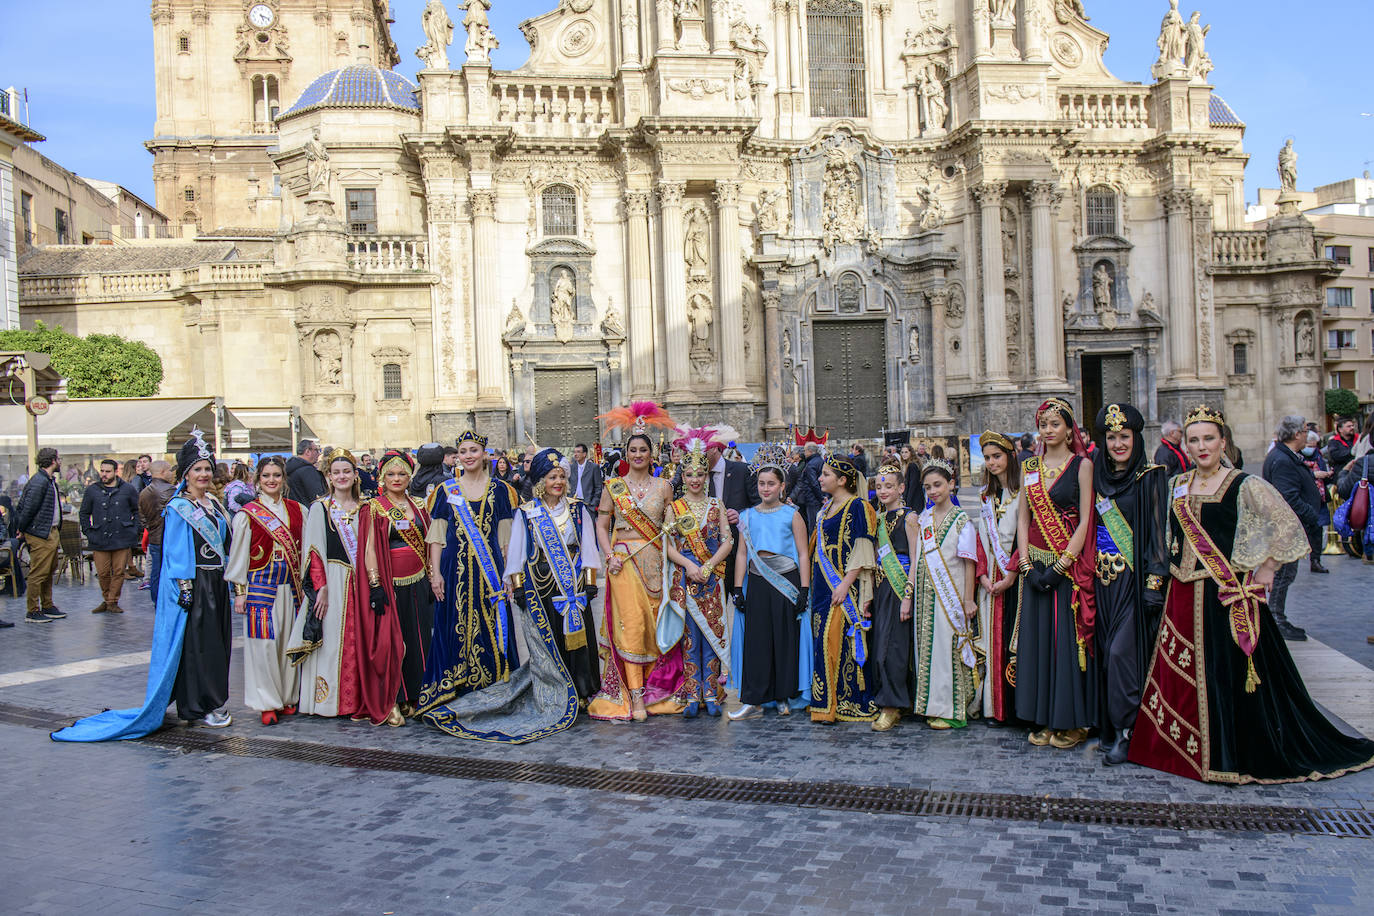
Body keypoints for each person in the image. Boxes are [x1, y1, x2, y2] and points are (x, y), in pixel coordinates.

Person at [1130, 406, 1374, 783]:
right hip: (1182, 595)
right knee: (1182, 672)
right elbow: (1168, 536)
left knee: (1228, 674)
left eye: (1209, 438)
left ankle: (1227, 753)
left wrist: (1267, 567)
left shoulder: (1244, 484)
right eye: (1194, 441)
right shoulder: (1178, 485)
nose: (1201, 446)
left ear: (1223, 441)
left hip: (1226, 596)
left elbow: (1285, 525)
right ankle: (1179, 750)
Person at [53, 431, 234, 740]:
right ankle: (197, 706)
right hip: (194, 583)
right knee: (197, 647)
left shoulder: (214, 504)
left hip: (216, 581)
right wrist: (185, 588)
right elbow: (176, 552)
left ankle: (214, 700)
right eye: (198, 469)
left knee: (218, 644)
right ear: (186, 473)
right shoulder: (179, 507)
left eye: (207, 468)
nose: (203, 474)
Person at [588, 402, 684, 722]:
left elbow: (672, 528)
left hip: (655, 564)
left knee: (654, 630)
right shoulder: (614, 488)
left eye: (643, 449)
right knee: (631, 628)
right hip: (624, 564)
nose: (638, 455)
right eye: (633, 450)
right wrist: (609, 555)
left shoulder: (665, 487)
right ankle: (636, 696)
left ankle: (657, 688)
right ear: (626, 454)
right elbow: (602, 525)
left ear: (651, 453)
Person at [420, 431, 519, 730]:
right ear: (457, 457)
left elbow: (506, 538)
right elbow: (437, 535)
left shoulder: (501, 490)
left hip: (490, 569)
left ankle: (494, 690)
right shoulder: (446, 490)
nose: (468, 456)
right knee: (453, 623)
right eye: (462, 451)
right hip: (453, 569)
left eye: (473, 450)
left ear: (485, 454)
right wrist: (435, 573)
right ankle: (455, 687)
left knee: (493, 624)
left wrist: (509, 574)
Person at [1016, 398, 1098, 750]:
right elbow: (1023, 517)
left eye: (1055, 424)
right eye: (1044, 424)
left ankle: (1070, 719)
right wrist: (1025, 564)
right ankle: (1045, 715)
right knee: (1038, 642)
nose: (1048, 430)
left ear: (1068, 429)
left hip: (1066, 566)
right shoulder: (1029, 467)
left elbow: (1085, 518)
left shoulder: (1081, 465)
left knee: (1065, 642)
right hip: (1034, 563)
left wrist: (1063, 563)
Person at [1090, 403, 1168, 766]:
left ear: (1136, 438)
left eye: (1124, 437)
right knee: (1106, 656)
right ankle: (1110, 729)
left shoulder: (1151, 476)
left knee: (1123, 655)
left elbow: (1157, 536)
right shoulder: (1097, 478)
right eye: (1111, 437)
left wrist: (1155, 582)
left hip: (1134, 583)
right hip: (1101, 581)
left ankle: (1128, 731)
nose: (1118, 444)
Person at [505, 448, 601, 703]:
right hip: (543, 585)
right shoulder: (526, 512)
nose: (558, 482)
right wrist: (517, 587)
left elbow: (588, 545)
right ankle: (555, 688)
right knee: (551, 638)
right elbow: (517, 551)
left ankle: (582, 689)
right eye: (551, 477)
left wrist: (591, 581)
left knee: (578, 640)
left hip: (574, 584)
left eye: (561, 477)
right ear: (540, 482)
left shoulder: (578, 510)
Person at [346, 449, 431, 727]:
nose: (397, 478)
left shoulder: (419, 505)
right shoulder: (375, 507)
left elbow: (428, 542)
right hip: (389, 582)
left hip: (418, 579)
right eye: (391, 474)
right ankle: (391, 697)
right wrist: (375, 584)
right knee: (393, 643)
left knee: (417, 639)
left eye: (402, 474)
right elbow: (369, 548)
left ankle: (414, 696)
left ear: (410, 476)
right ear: (382, 477)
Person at [729, 444, 811, 721]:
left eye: (771, 484)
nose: (766, 489)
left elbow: (802, 553)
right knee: (757, 641)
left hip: (785, 581)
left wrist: (804, 588)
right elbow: (741, 553)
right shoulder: (746, 516)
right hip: (758, 581)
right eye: (762, 483)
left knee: (783, 640)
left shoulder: (792, 515)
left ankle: (782, 696)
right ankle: (754, 698)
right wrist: (738, 587)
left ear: (782, 486)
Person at [225, 457, 306, 726]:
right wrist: (239, 590)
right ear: (257, 479)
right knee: (263, 646)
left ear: (284, 479)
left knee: (288, 643)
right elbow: (238, 554)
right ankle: (266, 701)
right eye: (266, 476)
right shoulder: (247, 514)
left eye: (276, 475)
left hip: (292, 587)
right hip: (261, 587)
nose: (271, 480)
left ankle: (287, 696)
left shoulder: (298, 510)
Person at [286, 448, 361, 717]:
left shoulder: (365, 508)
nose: (341, 477)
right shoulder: (320, 508)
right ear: (328, 476)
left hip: (358, 582)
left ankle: (354, 700)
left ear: (355, 475)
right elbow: (313, 549)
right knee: (330, 642)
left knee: (356, 641)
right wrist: (322, 587)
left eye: (346, 472)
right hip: (333, 581)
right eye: (336, 472)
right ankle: (327, 701)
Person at [906, 458, 979, 730]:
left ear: (951, 484)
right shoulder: (923, 519)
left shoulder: (962, 520)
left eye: (937, 485)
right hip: (926, 595)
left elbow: (969, 561)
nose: (933, 491)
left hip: (952, 594)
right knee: (929, 649)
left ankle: (952, 708)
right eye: (927, 487)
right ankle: (931, 704)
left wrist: (968, 598)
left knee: (948, 649)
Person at [663, 440, 734, 717]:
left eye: (700, 474)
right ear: (683, 476)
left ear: (707, 476)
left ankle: (711, 693)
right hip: (686, 580)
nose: (695, 479)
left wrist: (709, 565)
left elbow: (727, 540)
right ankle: (693, 693)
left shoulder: (717, 504)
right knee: (690, 636)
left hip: (712, 580)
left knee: (712, 634)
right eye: (690, 474)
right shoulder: (676, 508)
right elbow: (668, 547)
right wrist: (689, 566)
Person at [809, 453, 879, 724]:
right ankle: (826, 701)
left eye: (825, 474)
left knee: (842, 639)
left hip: (843, 586)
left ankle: (849, 701)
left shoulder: (859, 507)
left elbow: (863, 549)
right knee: (822, 640)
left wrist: (846, 584)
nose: (820, 478)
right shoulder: (824, 509)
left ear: (842, 480)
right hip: (822, 586)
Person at [973, 431, 1022, 726]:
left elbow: (1024, 539)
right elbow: (980, 541)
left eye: (997, 457)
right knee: (991, 643)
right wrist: (981, 575)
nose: (992, 463)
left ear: (1010, 457)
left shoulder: (1025, 491)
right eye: (988, 458)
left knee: (1012, 642)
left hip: (1015, 578)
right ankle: (993, 707)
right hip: (989, 578)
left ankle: (1014, 708)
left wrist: (1011, 574)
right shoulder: (985, 495)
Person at [1261, 416, 1323, 640]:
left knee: (1286, 573)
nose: (1307, 435)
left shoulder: (1285, 456)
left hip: (1291, 526)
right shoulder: (1283, 460)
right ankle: (1276, 619)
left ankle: (1279, 617)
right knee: (1284, 573)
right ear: (1297, 434)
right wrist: (1310, 515)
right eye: (1305, 431)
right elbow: (1288, 497)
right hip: (1286, 528)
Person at [869, 463, 918, 731]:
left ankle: (892, 705)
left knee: (893, 648)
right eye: (878, 486)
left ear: (901, 488)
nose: (883, 491)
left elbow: (915, 558)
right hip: (881, 586)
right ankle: (890, 699)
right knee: (881, 645)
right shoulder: (877, 518)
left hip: (901, 587)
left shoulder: (910, 519)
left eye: (889, 486)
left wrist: (908, 596)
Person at [79, 458, 142, 615]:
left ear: (115, 472)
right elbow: (84, 512)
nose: (104, 474)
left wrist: (134, 529)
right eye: (102, 471)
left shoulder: (127, 489)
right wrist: (88, 531)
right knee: (103, 572)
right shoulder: (92, 490)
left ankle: (112, 601)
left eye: (108, 471)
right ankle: (108, 599)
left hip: (122, 536)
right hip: (99, 537)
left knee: (119, 571)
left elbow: (137, 510)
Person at [14, 447, 67, 623]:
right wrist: (21, 528)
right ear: (52, 460)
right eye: (58, 459)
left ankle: (47, 605)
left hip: (50, 532)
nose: (60, 461)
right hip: (40, 533)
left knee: (49, 570)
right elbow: (27, 508)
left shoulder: (48, 480)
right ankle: (33, 610)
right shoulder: (40, 482)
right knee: (39, 571)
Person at [1301, 430, 1332, 573]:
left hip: (1319, 497)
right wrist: (1314, 474)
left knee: (1317, 530)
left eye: (1312, 444)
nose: (1310, 446)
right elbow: (1298, 475)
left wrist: (1327, 475)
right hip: (1305, 498)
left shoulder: (1318, 454)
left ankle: (1315, 560)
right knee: (1306, 529)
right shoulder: (1297, 457)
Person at [286, 438, 327, 506]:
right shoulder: (309, 471)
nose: (319, 454)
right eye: (316, 450)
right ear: (308, 452)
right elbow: (319, 497)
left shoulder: (288, 470)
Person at [570, 442, 604, 510]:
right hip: (573, 503)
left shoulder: (593, 467)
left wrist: (593, 504)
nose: (576, 454)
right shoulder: (571, 467)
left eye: (578, 452)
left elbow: (598, 487)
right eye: (575, 452)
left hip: (588, 504)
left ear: (584, 454)